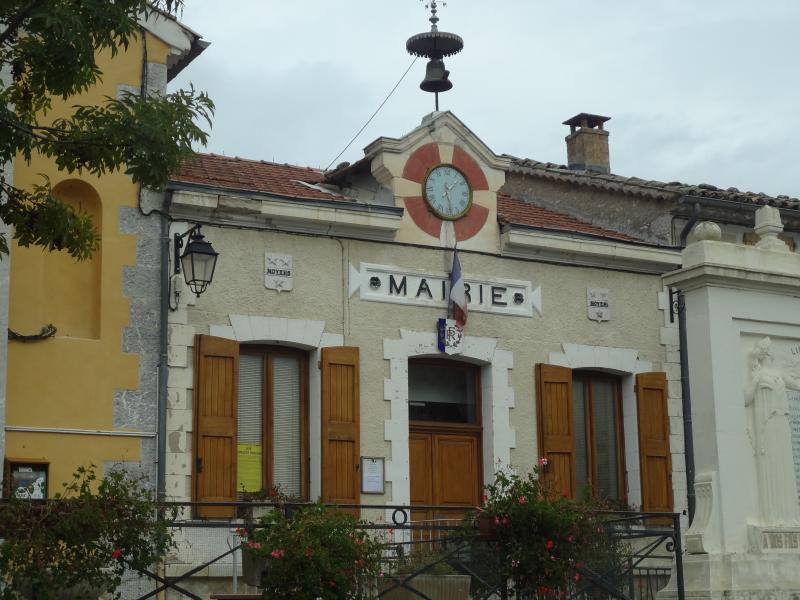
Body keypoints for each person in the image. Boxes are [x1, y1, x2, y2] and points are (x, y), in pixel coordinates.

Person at [745, 337, 800, 525]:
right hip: (766, 424)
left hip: (782, 422)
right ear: (766, 353)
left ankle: (789, 516)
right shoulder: (758, 375)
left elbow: (797, 385)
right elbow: (746, 398)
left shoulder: (779, 374)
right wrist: (755, 381)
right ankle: (773, 517)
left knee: (784, 466)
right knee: (772, 467)